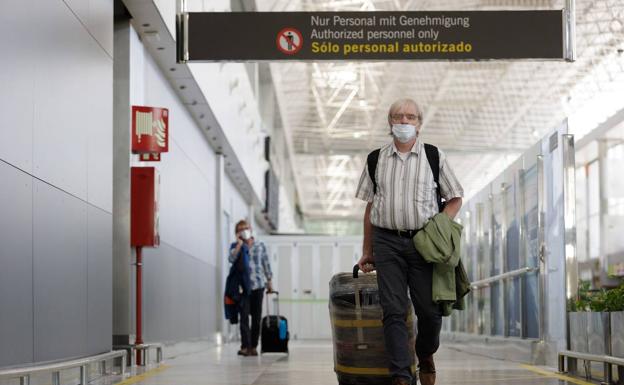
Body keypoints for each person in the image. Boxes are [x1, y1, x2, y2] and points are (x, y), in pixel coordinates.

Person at [355, 98, 464, 385]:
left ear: (419, 123)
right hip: (386, 241)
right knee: (393, 310)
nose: (404, 122)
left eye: (410, 117)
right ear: (389, 123)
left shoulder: (433, 156)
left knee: (429, 312)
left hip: (423, 243)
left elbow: (455, 197)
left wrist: (440, 227)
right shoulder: (375, 159)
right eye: (398, 117)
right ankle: (401, 376)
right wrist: (367, 250)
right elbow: (370, 207)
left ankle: (425, 353)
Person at [229, 219, 273, 357]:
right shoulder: (235, 246)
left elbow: (265, 263)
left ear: (251, 229)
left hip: (259, 286)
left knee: (256, 318)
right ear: (237, 233)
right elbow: (231, 259)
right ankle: (244, 346)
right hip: (243, 287)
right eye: (240, 230)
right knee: (243, 318)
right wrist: (239, 245)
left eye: (246, 228)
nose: (244, 231)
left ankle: (253, 346)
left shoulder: (260, 245)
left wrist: (269, 281)